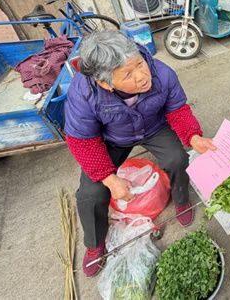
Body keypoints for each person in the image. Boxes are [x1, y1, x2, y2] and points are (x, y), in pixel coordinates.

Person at [64, 31, 215, 277]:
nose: (142, 76)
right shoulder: (84, 92)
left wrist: (193, 137)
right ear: (105, 83)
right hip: (112, 137)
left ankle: (181, 200)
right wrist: (110, 179)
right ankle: (95, 243)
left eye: (140, 63)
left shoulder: (163, 74)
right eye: (128, 74)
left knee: (177, 159)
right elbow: (83, 141)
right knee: (91, 192)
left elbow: (177, 110)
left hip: (153, 127)